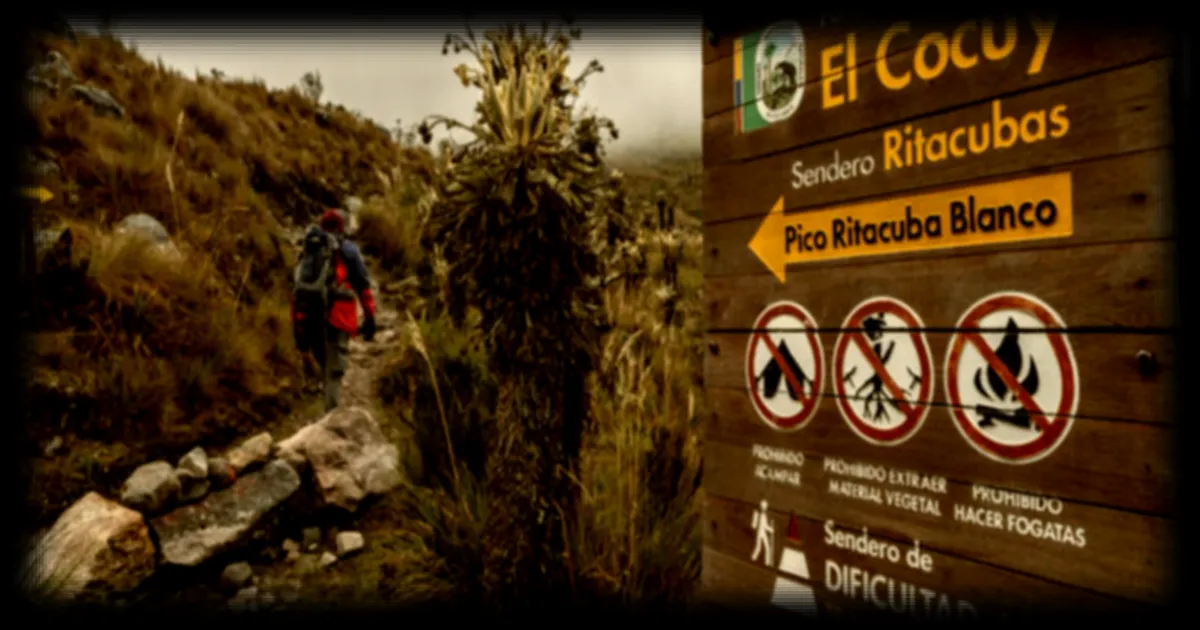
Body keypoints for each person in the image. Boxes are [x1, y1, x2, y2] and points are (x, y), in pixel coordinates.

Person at [291, 208, 377, 411]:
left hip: (311, 317)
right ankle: (331, 422)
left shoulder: (309, 252)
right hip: (338, 317)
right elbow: (363, 286)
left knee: (325, 368)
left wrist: (299, 330)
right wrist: (370, 316)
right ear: (342, 227)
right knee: (334, 372)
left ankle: (327, 411)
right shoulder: (347, 249)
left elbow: (296, 291)